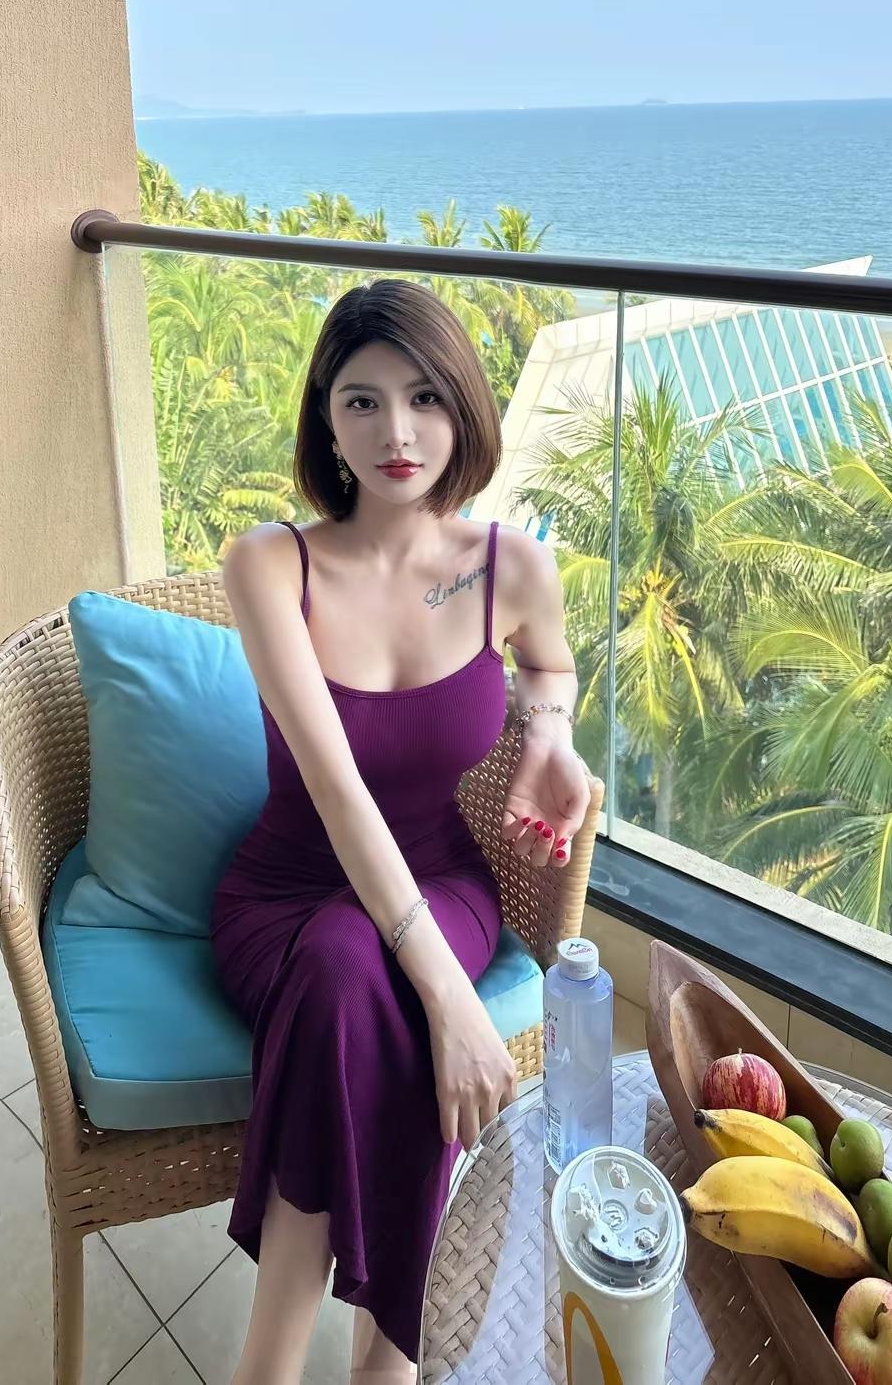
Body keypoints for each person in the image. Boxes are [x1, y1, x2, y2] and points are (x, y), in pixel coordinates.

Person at [209, 278, 602, 1384]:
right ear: (325, 421)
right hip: (287, 891)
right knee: (346, 965)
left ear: (462, 408)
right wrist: (449, 1002)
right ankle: (382, 1367)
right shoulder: (269, 565)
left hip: (444, 878)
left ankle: (280, 1369)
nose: (398, 432)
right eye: (363, 401)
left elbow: (552, 666)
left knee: (351, 969)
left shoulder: (510, 568)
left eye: (425, 398)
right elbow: (336, 792)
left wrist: (549, 737)